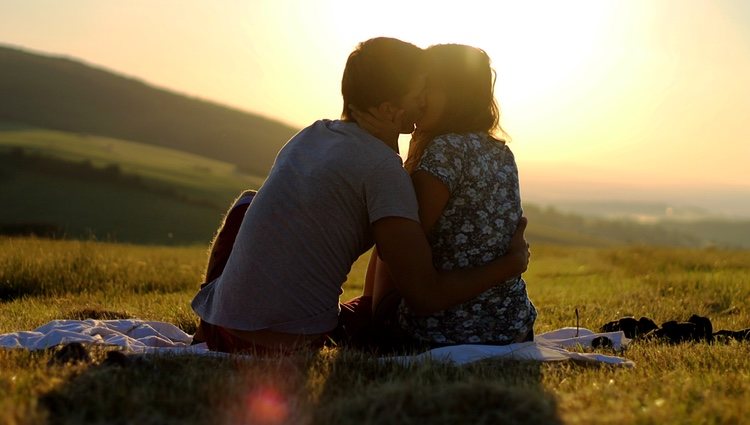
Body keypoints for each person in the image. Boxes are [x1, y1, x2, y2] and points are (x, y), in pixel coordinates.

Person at [190, 37, 530, 353]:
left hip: (224, 329)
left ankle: (207, 325)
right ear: (388, 109)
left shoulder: (309, 136)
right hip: (284, 343)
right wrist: (511, 264)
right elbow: (420, 291)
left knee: (247, 204)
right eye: (417, 93)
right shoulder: (386, 172)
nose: (422, 101)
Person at [359, 44, 537, 346]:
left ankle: (371, 318)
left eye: (427, 86)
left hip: (444, 332)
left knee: (392, 231)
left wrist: (373, 315)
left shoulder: (445, 152)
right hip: (513, 326)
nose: (418, 98)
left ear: (455, 93)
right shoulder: (501, 152)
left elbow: (397, 247)